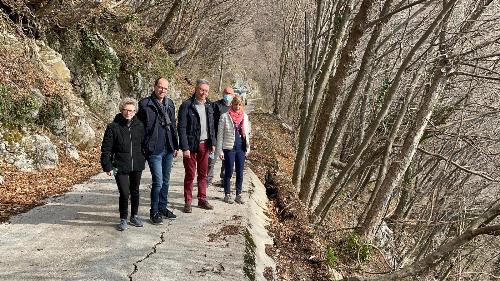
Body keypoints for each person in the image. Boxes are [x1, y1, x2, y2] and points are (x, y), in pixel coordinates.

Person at [100, 97, 146, 231]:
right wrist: (107, 166)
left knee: (135, 191)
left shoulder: (140, 126)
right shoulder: (113, 127)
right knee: (125, 193)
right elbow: (106, 148)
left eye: (131, 110)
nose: (128, 113)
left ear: (135, 111)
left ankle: (134, 216)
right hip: (120, 165)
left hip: (136, 165)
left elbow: (144, 144)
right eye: (126, 110)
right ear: (121, 110)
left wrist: (144, 156)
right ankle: (123, 219)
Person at [138, 77, 179, 225]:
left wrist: (175, 145)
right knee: (158, 181)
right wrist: (143, 147)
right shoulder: (144, 104)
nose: (162, 90)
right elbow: (139, 128)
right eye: (160, 87)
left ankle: (162, 207)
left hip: (168, 147)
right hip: (154, 149)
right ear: (154, 87)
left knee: (166, 181)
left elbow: (173, 125)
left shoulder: (170, 104)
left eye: (165, 88)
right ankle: (153, 211)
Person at [178, 79, 216, 213]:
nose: (203, 93)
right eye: (201, 90)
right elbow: (181, 127)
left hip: (205, 145)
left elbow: (212, 126)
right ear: (196, 89)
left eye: (206, 91)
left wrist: (213, 143)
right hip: (191, 145)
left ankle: (202, 199)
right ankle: (188, 201)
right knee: (190, 174)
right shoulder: (187, 105)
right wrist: (185, 147)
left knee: (203, 174)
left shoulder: (209, 106)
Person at [216, 96, 251, 204]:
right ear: (232, 104)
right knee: (229, 171)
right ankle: (227, 194)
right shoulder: (225, 116)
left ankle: (238, 194)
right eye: (235, 104)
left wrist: (248, 148)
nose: (237, 106)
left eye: (240, 104)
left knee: (240, 172)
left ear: (242, 105)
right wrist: (220, 151)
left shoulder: (245, 117)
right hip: (229, 148)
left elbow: (248, 133)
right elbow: (220, 135)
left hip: (241, 147)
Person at [207, 87, 235, 187]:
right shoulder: (216, 105)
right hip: (216, 137)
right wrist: (212, 138)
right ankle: (208, 180)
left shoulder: (234, 107)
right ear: (223, 93)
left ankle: (224, 179)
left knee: (227, 161)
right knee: (211, 161)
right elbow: (210, 123)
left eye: (230, 93)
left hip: (228, 138)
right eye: (226, 93)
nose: (228, 95)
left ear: (233, 95)